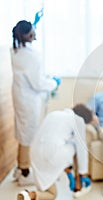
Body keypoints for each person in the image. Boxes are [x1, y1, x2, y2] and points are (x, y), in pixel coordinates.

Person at [11, 20, 61, 186]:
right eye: (33, 31)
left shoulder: (15, 50)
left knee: (22, 131)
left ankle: (19, 166)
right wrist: (54, 82)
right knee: (28, 134)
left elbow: (31, 75)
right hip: (28, 100)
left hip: (19, 95)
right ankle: (25, 172)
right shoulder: (32, 56)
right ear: (30, 35)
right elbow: (38, 83)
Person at [17, 104, 95, 200]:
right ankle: (78, 185)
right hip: (52, 154)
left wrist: (68, 172)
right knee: (76, 146)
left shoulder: (54, 114)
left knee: (51, 193)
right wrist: (83, 173)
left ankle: (28, 195)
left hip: (35, 153)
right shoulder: (79, 120)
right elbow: (82, 150)